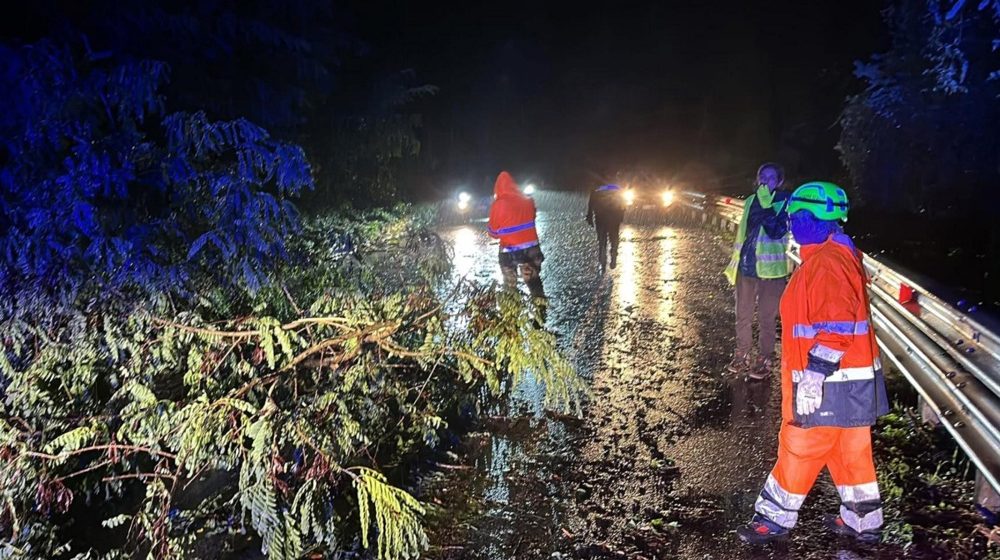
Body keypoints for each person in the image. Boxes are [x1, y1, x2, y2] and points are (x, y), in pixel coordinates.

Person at [737, 181, 889, 545]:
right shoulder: (836, 254)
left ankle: (773, 519)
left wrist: (814, 376)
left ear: (812, 219)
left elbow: (835, 326)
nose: (790, 223)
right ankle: (863, 520)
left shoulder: (826, 263)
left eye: (795, 217)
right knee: (850, 451)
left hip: (828, 383)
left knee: (799, 446)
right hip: (852, 383)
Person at [723, 163, 792, 379]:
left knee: (766, 318)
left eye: (771, 177)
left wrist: (767, 206)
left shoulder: (785, 201)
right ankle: (742, 353)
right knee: (742, 315)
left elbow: (777, 231)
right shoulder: (751, 201)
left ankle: (764, 358)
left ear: (779, 181)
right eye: (762, 176)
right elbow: (744, 232)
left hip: (772, 272)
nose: (765, 180)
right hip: (746, 266)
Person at [488, 170, 545, 298]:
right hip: (532, 249)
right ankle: (540, 306)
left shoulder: (498, 204)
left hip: (509, 251)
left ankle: (512, 305)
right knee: (533, 281)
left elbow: (493, 233)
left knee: (510, 284)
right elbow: (533, 217)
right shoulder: (528, 201)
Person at [586, 184, 627, 273]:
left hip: (601, 216)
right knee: (613, 237)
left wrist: (589, 215)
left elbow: (592, 202)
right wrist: (621, 214)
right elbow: (623, 202)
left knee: (602, 239)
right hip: (613, 216)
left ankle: (603, 259)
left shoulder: (597, 185)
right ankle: (612, 254)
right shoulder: (617, 185)